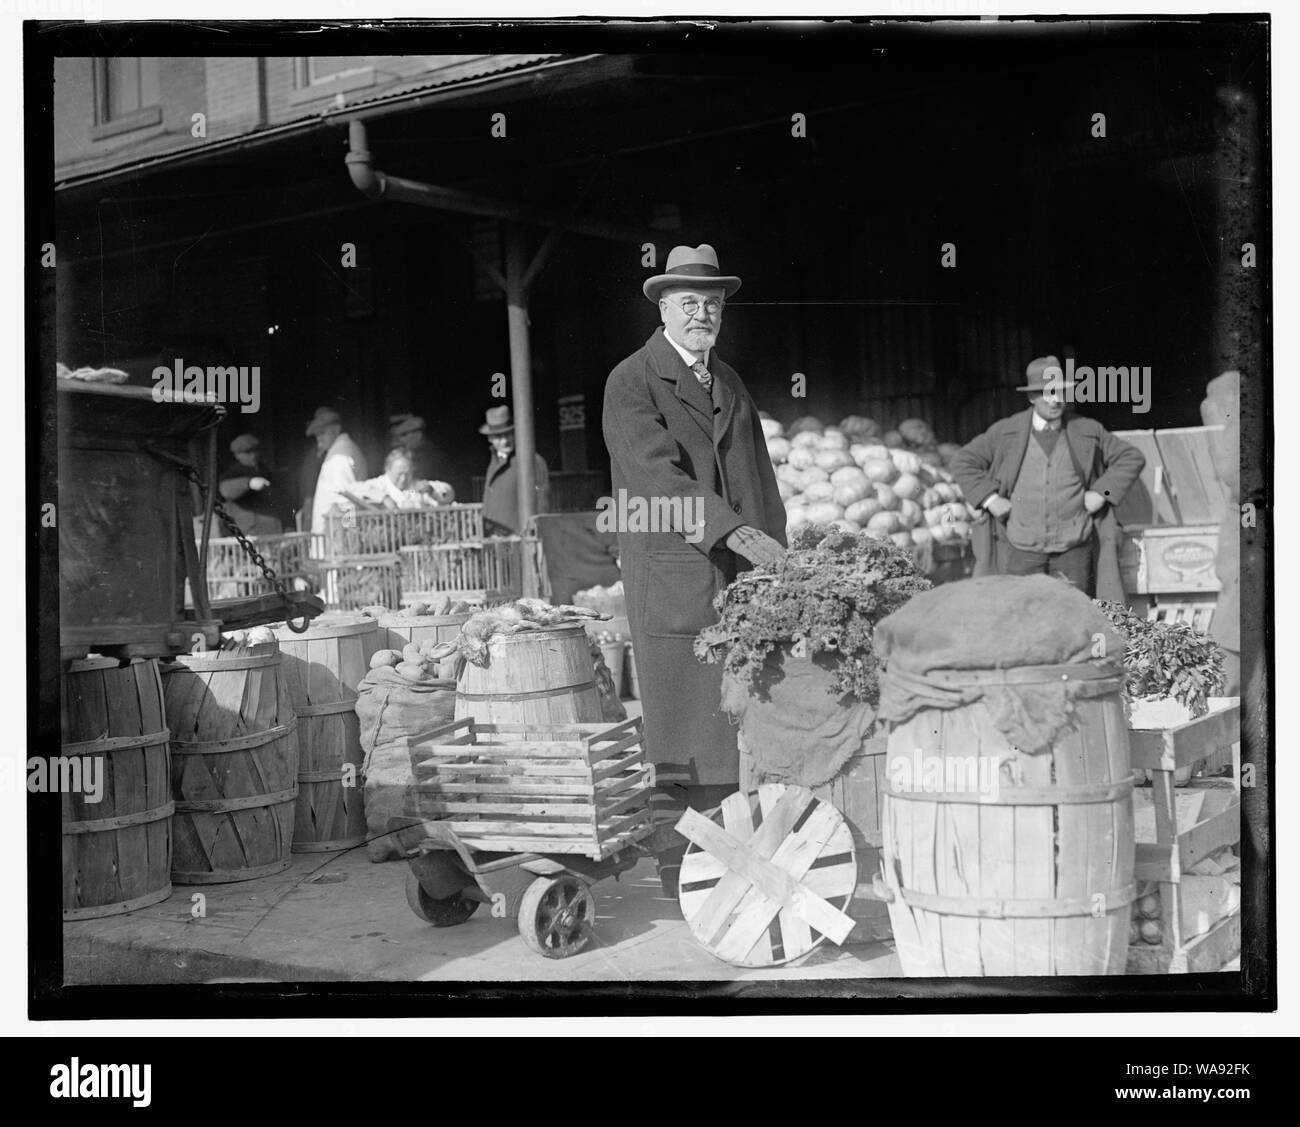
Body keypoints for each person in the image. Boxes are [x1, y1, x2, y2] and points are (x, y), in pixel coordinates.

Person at [601, 243, 787, 895]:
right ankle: (684, 877)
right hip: (675, 584)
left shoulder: (728, 381)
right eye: (689, 303)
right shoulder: (631, 380)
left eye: (712, 303)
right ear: (663, 309)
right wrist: (730, 529)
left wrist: (776, 555)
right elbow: (654, 478)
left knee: (733, 732)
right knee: (683, 739)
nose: (702, 313)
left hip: (735, 583)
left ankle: (724, 863)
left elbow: (758, 480)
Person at [951, 355, 1145, 598]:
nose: (1055, 400)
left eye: (1060, 392)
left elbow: (1131, 457)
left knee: (1072, 615)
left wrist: (1102, 493)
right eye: (1047, 393)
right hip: (1021, 548)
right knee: (1021, 615)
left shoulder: (1086, 429)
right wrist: (990, 499)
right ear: (1032, 397)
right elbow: (962, 461)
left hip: (1073, 547)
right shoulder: (1005, 432)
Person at [479, 405, 550, 535]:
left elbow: (542, 502)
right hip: (495, 540)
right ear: (490, 439)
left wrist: (533, 537)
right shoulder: (493, 463)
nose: (505, 441)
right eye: (499, 436)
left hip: (520, 540)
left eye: (508, 434)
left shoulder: (531, 460)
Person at [306, 406, 368, 541]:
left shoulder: (339, 457)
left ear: (336, 430)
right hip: (332, 537)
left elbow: (346, 499)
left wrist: (349, 539)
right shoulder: (340, 450)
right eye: (317, 435)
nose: (319, 440)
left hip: (335, 542)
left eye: (322, 433)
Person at [217, 433, 284, 535]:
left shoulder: (266, 472)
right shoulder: (232, 474)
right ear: (237, 455)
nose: (254, 455)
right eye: (248, 452)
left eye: (255, 451)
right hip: (248, 532)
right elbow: (226, 490)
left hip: (271, 529)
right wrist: (249, 483)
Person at [348, 447, 455, 510]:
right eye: (399, 474)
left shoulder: (416, 487)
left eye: (407, 474)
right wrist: (384, 498)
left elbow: (449, 493)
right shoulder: (378, 485)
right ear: (387, 469)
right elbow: (350, 490)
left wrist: (431, 489)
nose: (403, 479)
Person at [391, 414, 441, 484]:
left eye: (404, 435)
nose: (400, 440)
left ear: (418, 435)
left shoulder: (430, 455)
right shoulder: (405, 454)